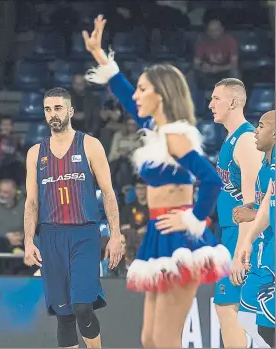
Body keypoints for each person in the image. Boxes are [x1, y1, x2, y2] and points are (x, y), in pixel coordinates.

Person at [83, 15, 230, 348]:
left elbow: (210, 180)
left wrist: (192, 219)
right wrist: (100, 57)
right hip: (157, 233)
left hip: (179, 238)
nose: (136, 95)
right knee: (150, 339)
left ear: (161, 95)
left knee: (165, 340)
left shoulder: (177, 137)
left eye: (143, 89)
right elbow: (122, 93)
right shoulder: (157, 130)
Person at [23, 87, 124, 348]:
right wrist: (28, 241)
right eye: (47, 109)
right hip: (50, 236)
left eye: (58, 108)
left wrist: (116, 235)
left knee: (82, 307)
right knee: (64, 315)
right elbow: (31, 201)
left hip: (84, 233)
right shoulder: (36, 153)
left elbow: (109, 194)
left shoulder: (90, 145)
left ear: (70, 111)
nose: (52, 114)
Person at [210, 77, 264, 347]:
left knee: (227, 307)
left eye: (216, 98)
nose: (210, 104)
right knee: (229, 309)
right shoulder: (232, 139)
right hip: (231, 233)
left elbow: (251, 205)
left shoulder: (245, 140)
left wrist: (241, 252)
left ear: (233, 102)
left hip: (242, 236)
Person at [231, 111, 275, 348]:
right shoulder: (265, 167)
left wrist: (252, 215)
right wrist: (253, 208)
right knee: (247, 318)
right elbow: (268, 203)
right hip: (260, 251)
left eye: (261, 126)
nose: (255, 131)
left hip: (270, 253)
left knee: (265, 327)